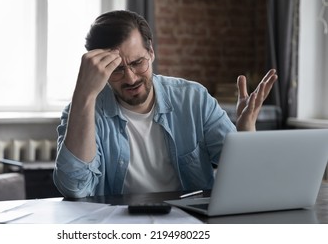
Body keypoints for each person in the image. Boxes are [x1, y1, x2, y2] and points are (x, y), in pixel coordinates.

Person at [53, 10, 277, 198]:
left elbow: (244, 177)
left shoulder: (194, 99)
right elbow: (75, 188)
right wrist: (84, 95)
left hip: (190, 224)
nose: (130, 78)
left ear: (151, 53)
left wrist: (246, 131)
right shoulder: (83, 110)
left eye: (137, 63)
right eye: (117, 69)